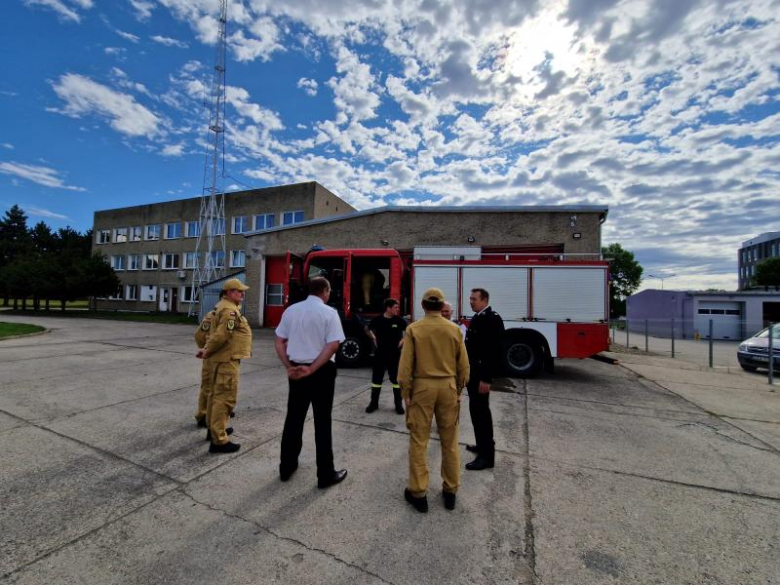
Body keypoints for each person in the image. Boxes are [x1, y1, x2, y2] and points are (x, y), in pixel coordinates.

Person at [398, 288, 469, 513]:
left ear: (423, 306)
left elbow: (405, 368)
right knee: (450, 441)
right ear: (441, 307)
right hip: (448, 387)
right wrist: (458, 389)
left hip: (422, 388)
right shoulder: (454, 330)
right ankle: (450, 490)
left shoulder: (414, 329)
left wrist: (406, 394)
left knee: (419, 441)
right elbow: (464, 366)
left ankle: (418, 493)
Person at [275, 277, 348, 489]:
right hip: (321, 372)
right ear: (325, 291)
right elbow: (333, 345)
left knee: (294, 419)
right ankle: (325, 475)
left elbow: (279, 341)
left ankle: (286, 467)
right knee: (322, 422)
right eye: (329, 291)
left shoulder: (291, 311)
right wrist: (313, 368)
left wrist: (288, 366)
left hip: (296, 371)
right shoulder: (329, 313)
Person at [196, 278, 252, 454]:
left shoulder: (221, 307)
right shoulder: (229, 310)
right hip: (226, 360)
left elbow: (208, 334)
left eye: (242, 291)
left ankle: (214, 431)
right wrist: (207, 350)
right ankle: (219, 440)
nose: (242, 294)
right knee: (224, 399)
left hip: (220, 359)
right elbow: (222, 335)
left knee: (214, 396)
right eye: (238, 291)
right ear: (229, 292)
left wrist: (206, 349)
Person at [464, 288, 505, 470]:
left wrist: (486, 379)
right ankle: (481, 446)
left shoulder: (491, 319)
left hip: (481, 376)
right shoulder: (479, 316)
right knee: (476, 411)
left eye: (474, 299)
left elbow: (494, 351)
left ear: (484, 300)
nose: (471, 301)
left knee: (482, 414)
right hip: (474, 374)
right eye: (470, 299)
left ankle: (487, 457)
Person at [365, 298, 407, 414]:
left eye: (398, 307)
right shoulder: (378, 320)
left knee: (396, 381)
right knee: (376, 380)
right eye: (395, 307)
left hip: (395, 355)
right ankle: (374, 403)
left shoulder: (399, 320)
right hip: (380, 355)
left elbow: (409, 330)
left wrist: (403, 340)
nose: (397, 309)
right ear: (388, 308)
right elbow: (367, 329)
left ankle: (398, 405)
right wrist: (373, 337)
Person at [194, 306, 217, 428]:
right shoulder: (213, 315)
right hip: (213, 355)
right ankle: (204, 415)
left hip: (219, 355)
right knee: (209, 386)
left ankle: (210, 413)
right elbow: (200, 335)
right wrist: (206, 349)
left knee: (213, 386)